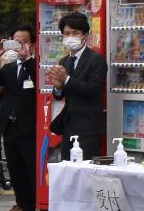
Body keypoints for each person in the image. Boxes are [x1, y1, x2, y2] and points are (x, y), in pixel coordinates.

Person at [0, 27, 38, 211]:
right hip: (10, 126)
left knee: (31, 170)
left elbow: (40, 83)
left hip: (29, 127)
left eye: (22, 41)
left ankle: (36, 210)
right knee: (16, 172)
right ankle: (24, 210)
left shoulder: (34, 65)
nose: (17, 45)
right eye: (14, 41)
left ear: (31, 44)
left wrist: (28, 60)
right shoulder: (9, 67)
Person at [45, 11, 108, 163]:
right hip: (68, 126)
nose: (70, 37)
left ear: (85, 35)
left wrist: (66, 79)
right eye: (67, 33)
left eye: (75, 33)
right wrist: (58, 87)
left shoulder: (96, 59)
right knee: (68, 169)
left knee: (86, 171)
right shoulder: (64, 61)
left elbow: (93, 89)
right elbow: (60, 95)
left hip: (88, 128)